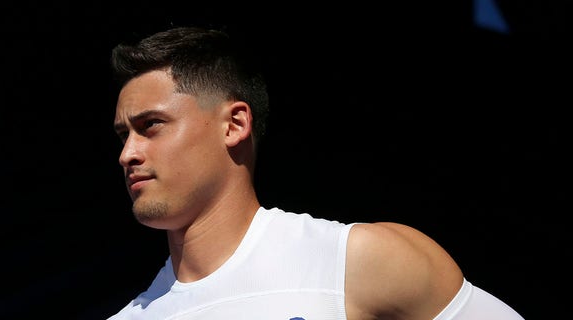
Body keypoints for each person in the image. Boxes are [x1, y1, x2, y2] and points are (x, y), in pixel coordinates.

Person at [106, 25, 525, 319]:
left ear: (234, 125)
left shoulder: (358, 261)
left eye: (151, 126)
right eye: (123, 135)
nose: (128, 154)